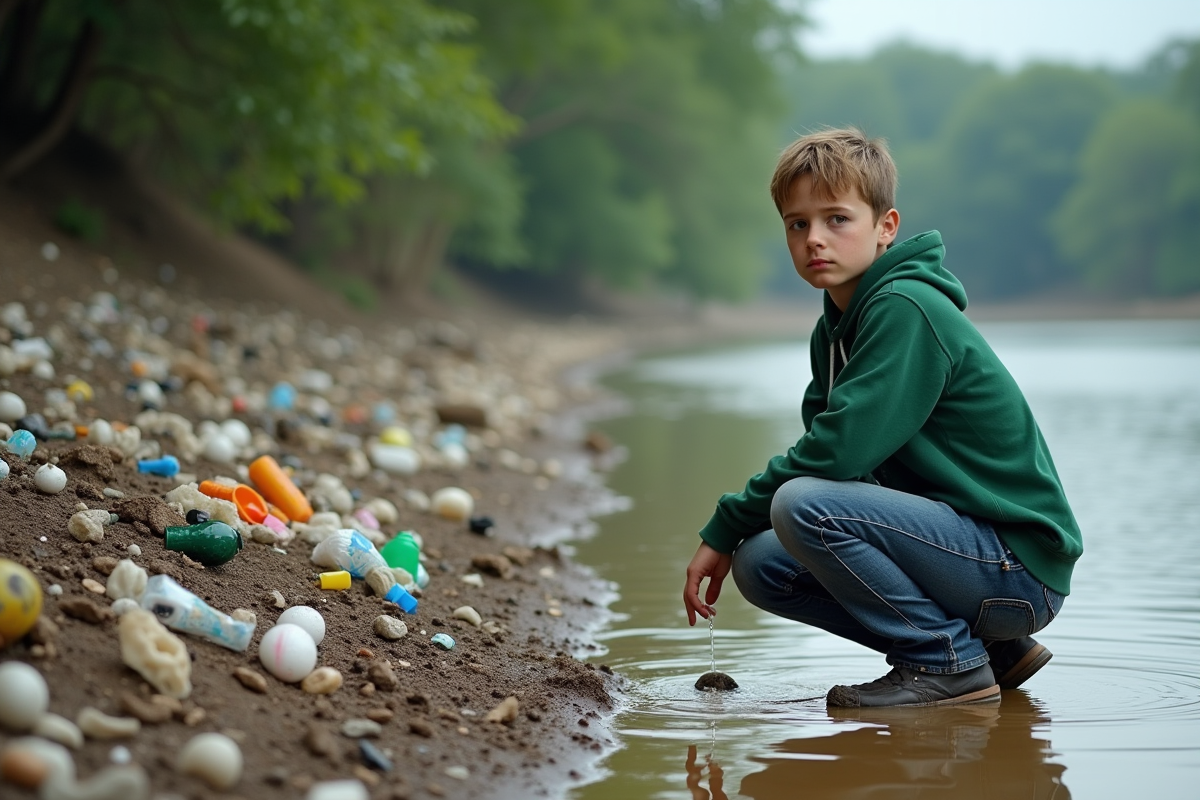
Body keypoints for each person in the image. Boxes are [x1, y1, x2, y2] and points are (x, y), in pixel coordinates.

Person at [681, 127, 1082, 708]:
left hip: (1016, 567)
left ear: (885, 227)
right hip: (965, 556)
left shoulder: (904, 308)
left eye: (837, 219)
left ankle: (945, 662)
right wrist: (736, 534)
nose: (815, 239)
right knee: (763, 564)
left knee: (801, 504)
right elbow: (839, 461)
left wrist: (724, 522)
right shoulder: (835, 331)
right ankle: (991, 653)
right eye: (797, 224)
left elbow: (834, 454)